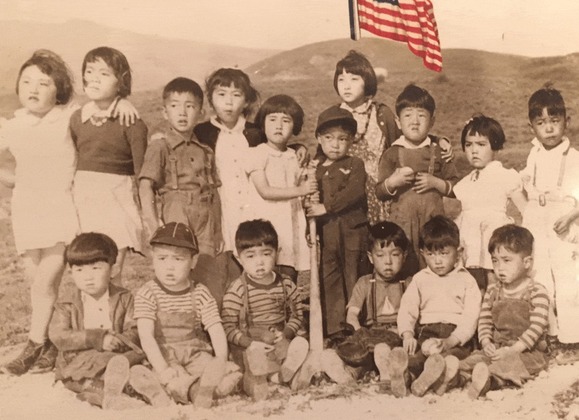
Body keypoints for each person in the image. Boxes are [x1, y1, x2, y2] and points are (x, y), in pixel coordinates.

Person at [0, 50, 137, 375]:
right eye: (27, 81)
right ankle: (49, 345)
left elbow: (105, 108)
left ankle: (33, 346)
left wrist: (125, 103)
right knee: (37, 286)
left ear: (59, 88)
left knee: (45, 283)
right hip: (26, 213)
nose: (33, 88)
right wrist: (16, 182)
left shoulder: (69, 115)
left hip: (63, 211)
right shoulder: (12, 124)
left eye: (43, 83)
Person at [194, 68, 308, 285]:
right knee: (222, 272)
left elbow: (276, 146)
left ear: (247, 101)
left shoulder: (255, 131)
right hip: (222, 211)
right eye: (221, 95)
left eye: (236, 96)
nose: (228, 103)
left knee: (257, 268)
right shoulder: (202, 133)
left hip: (253, 211)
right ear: (210, 99)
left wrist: (298, 146)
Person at [324, 50, 453, 225]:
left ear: (367, 82)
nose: (346, 86)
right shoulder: (333, 116)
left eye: (354, 79)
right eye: (341, 80)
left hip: (380, 190)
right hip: (347, 191)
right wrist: (299, 148)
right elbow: (323, 150)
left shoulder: (381, 113)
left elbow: (407, 138)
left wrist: (438, 141)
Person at [49, 233, 169, 410]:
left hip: (117, 355)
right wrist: (96, 338)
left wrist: (118, 341)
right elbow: (58, 335)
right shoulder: (67, 303)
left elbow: (135, 328)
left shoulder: (124, 298)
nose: (87, 277)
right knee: (85, 382)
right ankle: (110, 396)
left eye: (96, 269)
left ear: (113, 270)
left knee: (133, 368)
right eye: (79, 270)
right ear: (71, 272)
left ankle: (150, 392)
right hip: (81, 360)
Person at [138, 77, 226, 305]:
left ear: (201, 112)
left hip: (205, 217)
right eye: (175, 106)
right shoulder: (160, 146)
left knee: (207, 271)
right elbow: (146, 185)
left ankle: (206, 327)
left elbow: (214, 192)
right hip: (176, 212)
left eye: (190, 106)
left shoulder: (206, 151)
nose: (182, 112)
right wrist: (153, 223)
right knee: (176, 269)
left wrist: (217, 230)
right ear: (165, 112)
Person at [134, 222, 241, 407]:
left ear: (193, 261)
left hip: (194, 351)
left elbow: (215, 328)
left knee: (217, 368)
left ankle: (212, 385)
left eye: (178, 259)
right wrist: (163, 368)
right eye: (162, 259)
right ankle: (195, 391)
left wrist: (221, 359)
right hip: (164, 353)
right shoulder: (147, 293)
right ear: (153, 259)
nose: (169, 267)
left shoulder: (200, 292)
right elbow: (146, 336)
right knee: (173, 377)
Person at [70, 46, 148, 286]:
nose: (93, 78)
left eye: (104, 74)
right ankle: (88, 321)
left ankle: (113, 321)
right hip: (84, 199)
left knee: (111, 269)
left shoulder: (131, 122)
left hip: (116, 198)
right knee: (85, 267)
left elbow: (142, 171)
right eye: (89, 71)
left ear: (121, 82)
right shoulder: (77, 118)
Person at [385, 216, 481, 398]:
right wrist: (407, 334)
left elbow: (471, 317)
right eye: (431, 254)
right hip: (426, 333)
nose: (437, 261)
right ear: (423, 253)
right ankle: (406, 377)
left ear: (458, 252)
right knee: (416, 358)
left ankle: (431, 376)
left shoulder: (467, 280)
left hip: (455, 336)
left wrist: (451, 340)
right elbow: (408, 308)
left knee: (450, 358)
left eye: (443, 254)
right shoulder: (420, 279)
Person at [520, 85, 579, 363]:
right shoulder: (534, 155)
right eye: (542, 123)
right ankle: (549, 334)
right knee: (540, 276)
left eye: (555, 121)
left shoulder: (574, 157)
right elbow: (525, 188)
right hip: (536, 220)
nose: (549, 129)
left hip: (563, 223)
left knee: (568, 279)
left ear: (566, 121)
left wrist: (571, 216)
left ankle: (573, 338)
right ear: (532, 126)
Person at [221, 219, 309, 401]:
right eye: (250, 256)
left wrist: (286, 332)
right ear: (239, 258)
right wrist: (248, 342)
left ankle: (285, 374)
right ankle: (263, 379)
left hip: (278, 339)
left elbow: (297, 315)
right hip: (251, 344)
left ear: (277, 253)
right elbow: (228, 327)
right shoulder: (237, 289)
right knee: (255, 358)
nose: (259, 263)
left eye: (266, 254)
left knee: (297, 345)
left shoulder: (286, 285)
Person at [376, 84, 459, 275]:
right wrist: (393, 182)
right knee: (404, 269)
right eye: (408, 116)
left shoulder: (439, 151)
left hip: (433, 225)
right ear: (397, 121)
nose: (414, 122)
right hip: (402, 225)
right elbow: (379, 192)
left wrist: (436, 183)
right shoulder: (391, 154)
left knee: (435, 268)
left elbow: (457, 188)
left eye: (421, 115)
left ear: (432, 121)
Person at [458, 225, 549, 399]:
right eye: (495, 261)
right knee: (474, 359)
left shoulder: (537, 291)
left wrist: (515, 349)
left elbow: (537, 327)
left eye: (507, 260)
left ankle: (490, 381)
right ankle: (453, 375)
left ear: (527, 262)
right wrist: (486, 343)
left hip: (526, 351)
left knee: (513, 366)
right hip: (498, 348)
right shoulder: (493, 291)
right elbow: (484, 321)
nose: (499, 268)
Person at [306, 106, 371, 337]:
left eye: (342, 139)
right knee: (329, 277)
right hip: (327, 233)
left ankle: (358, 326)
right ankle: (335, 330)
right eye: (329, 138)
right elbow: (309, 204)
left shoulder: (354, 165)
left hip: (353, 231)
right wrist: (309, 227)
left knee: (353, 275)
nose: (335, 144)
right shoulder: (314, 170)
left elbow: (354, 193)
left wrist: (327, 207)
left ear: (351, 140)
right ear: (319, 139)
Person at [246, 94, 316, 281]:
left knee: (287, 276)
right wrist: (302, 190)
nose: (278, 126)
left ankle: (288, 310)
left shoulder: (295, 156)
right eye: (272, 119)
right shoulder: (257, 154)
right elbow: (265, 191)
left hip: (290, 227)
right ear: (262, 123)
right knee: (264, 275)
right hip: (266, 226)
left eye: (286, 121)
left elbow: (304, 192)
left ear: (295, 127)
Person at [453, 115, 527, 291]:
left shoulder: (505, 176)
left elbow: (526, 210)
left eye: (481, 144)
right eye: (469, 144)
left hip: (494, 238)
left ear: (495, 146)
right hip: (471, 240)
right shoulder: (466, 182)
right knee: (474, 284)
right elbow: (464, 212)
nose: (474, 151)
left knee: (495, 280)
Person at [338, 222, 408, 379]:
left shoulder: (409, 283)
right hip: (371, 334)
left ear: (404, 256)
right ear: (370, 257)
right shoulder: (364, 282)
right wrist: (360, 333)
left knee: (397, 350)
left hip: (397, 334)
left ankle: (389, 370)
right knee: (357, 350)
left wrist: (406, 332)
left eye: (395, 254)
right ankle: (349, 373)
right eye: (380, 255)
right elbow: (352, 315)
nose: (388, 261)